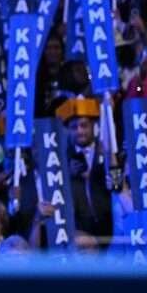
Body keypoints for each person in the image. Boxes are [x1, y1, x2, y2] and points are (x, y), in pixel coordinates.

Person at [56, 97, 115, 245]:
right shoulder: (60, 158)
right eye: (74, 127)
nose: (79, 131)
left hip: (112, 229)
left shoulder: (108, 150)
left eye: (84, 125)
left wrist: (109, 162)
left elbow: (118, 186)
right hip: (81, 235)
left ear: (93, 127)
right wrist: (67, 175)